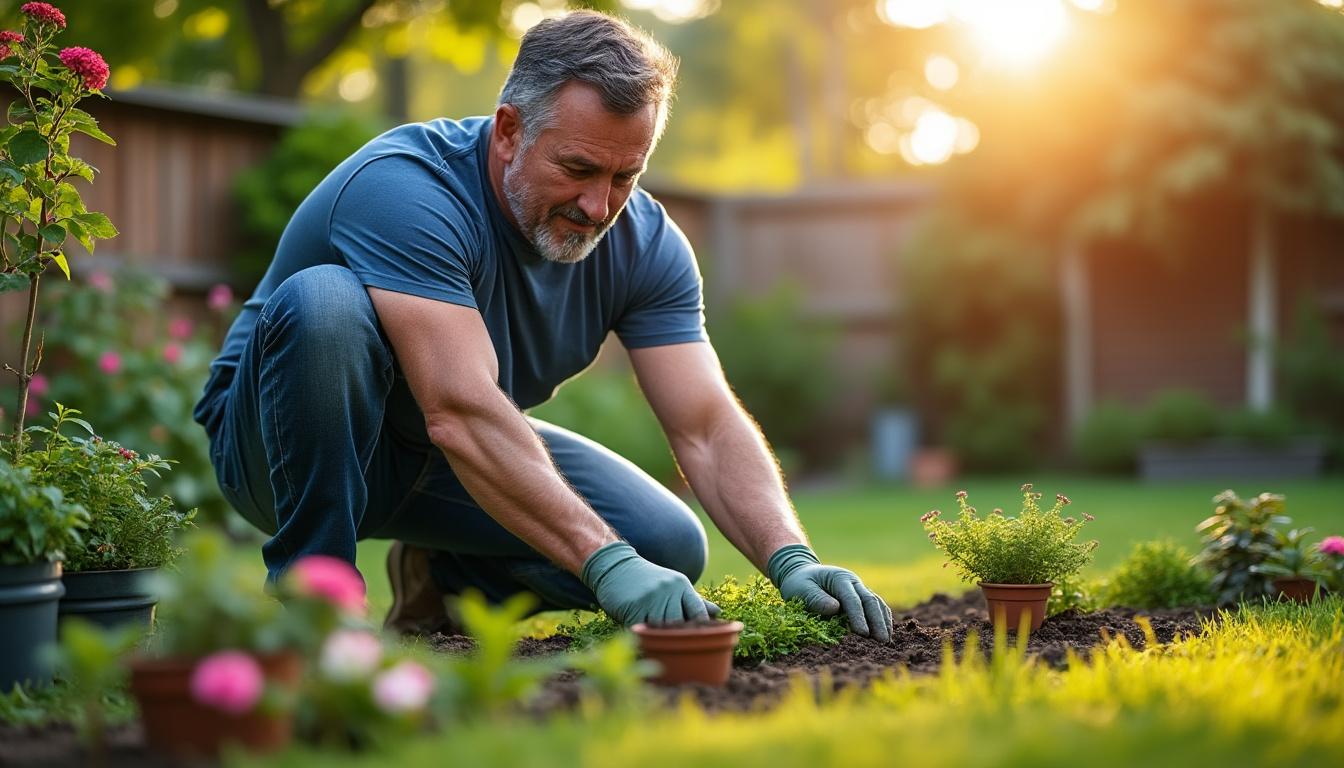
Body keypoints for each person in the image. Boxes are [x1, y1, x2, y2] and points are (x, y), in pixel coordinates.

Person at [193, 9, 892, 642]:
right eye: (578, 168)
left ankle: (448, 583)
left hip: (433, 455)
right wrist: (603, 562)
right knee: (326, 304)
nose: (599, 205)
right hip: (274, 447)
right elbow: (458, 407)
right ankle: (316, 614)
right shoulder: (406, 187)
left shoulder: (646, 242)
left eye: (627, 176)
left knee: (668, 544)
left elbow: (705, 424)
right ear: (508, 131)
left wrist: (791, 556)